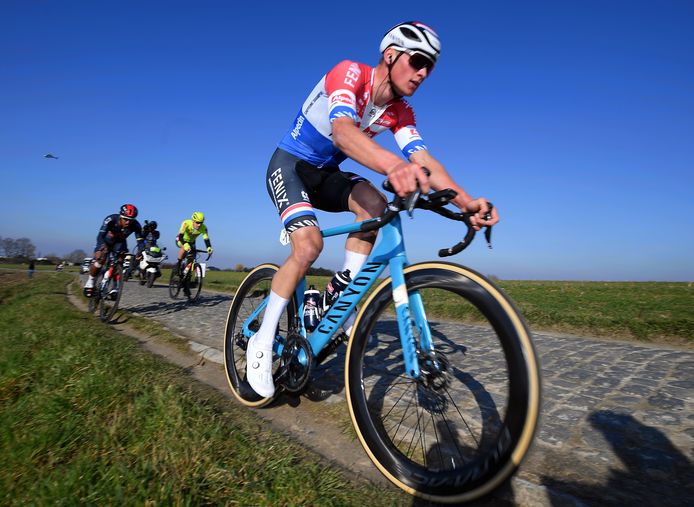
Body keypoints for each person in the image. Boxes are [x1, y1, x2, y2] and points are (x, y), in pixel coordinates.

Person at [246, 21, 499, 398]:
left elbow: (424, 160)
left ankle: (337, 294)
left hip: (325, 174)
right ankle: (262, 341)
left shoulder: (400, 112)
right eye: (418, 61)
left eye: (430, 67)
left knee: (376, 206)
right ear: (391, 55)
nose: (423, 73)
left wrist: (467, 202)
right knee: (309, 246)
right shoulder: (349, 73)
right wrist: (394, 166)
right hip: (290, 166)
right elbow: (343, 132)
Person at [83, 203, 144, 298]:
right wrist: (99, 248)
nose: (128, 222)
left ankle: (115, 287)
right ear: (120, 216)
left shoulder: (136, 225)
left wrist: (139, 252)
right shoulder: (111, 219)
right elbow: (100, 236)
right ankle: (90, 282)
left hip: (120, 243)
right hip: (106, 241)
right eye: (125, 219)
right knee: (100, 258)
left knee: (120, 261)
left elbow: (140, 241)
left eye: (131, 220)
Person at [175, 212, 213, 277]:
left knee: (192, 257)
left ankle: (187, 274)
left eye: (201, 223)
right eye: (197, 222)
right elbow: (180, 236)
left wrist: (209, 247)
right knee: (184, 248)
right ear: (193, 221)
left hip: (191, 242)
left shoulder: (204, 228)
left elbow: (206, 239)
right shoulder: (186, 223)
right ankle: (178, 265)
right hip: (181, 239)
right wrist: (185, 244)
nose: (199, 225)